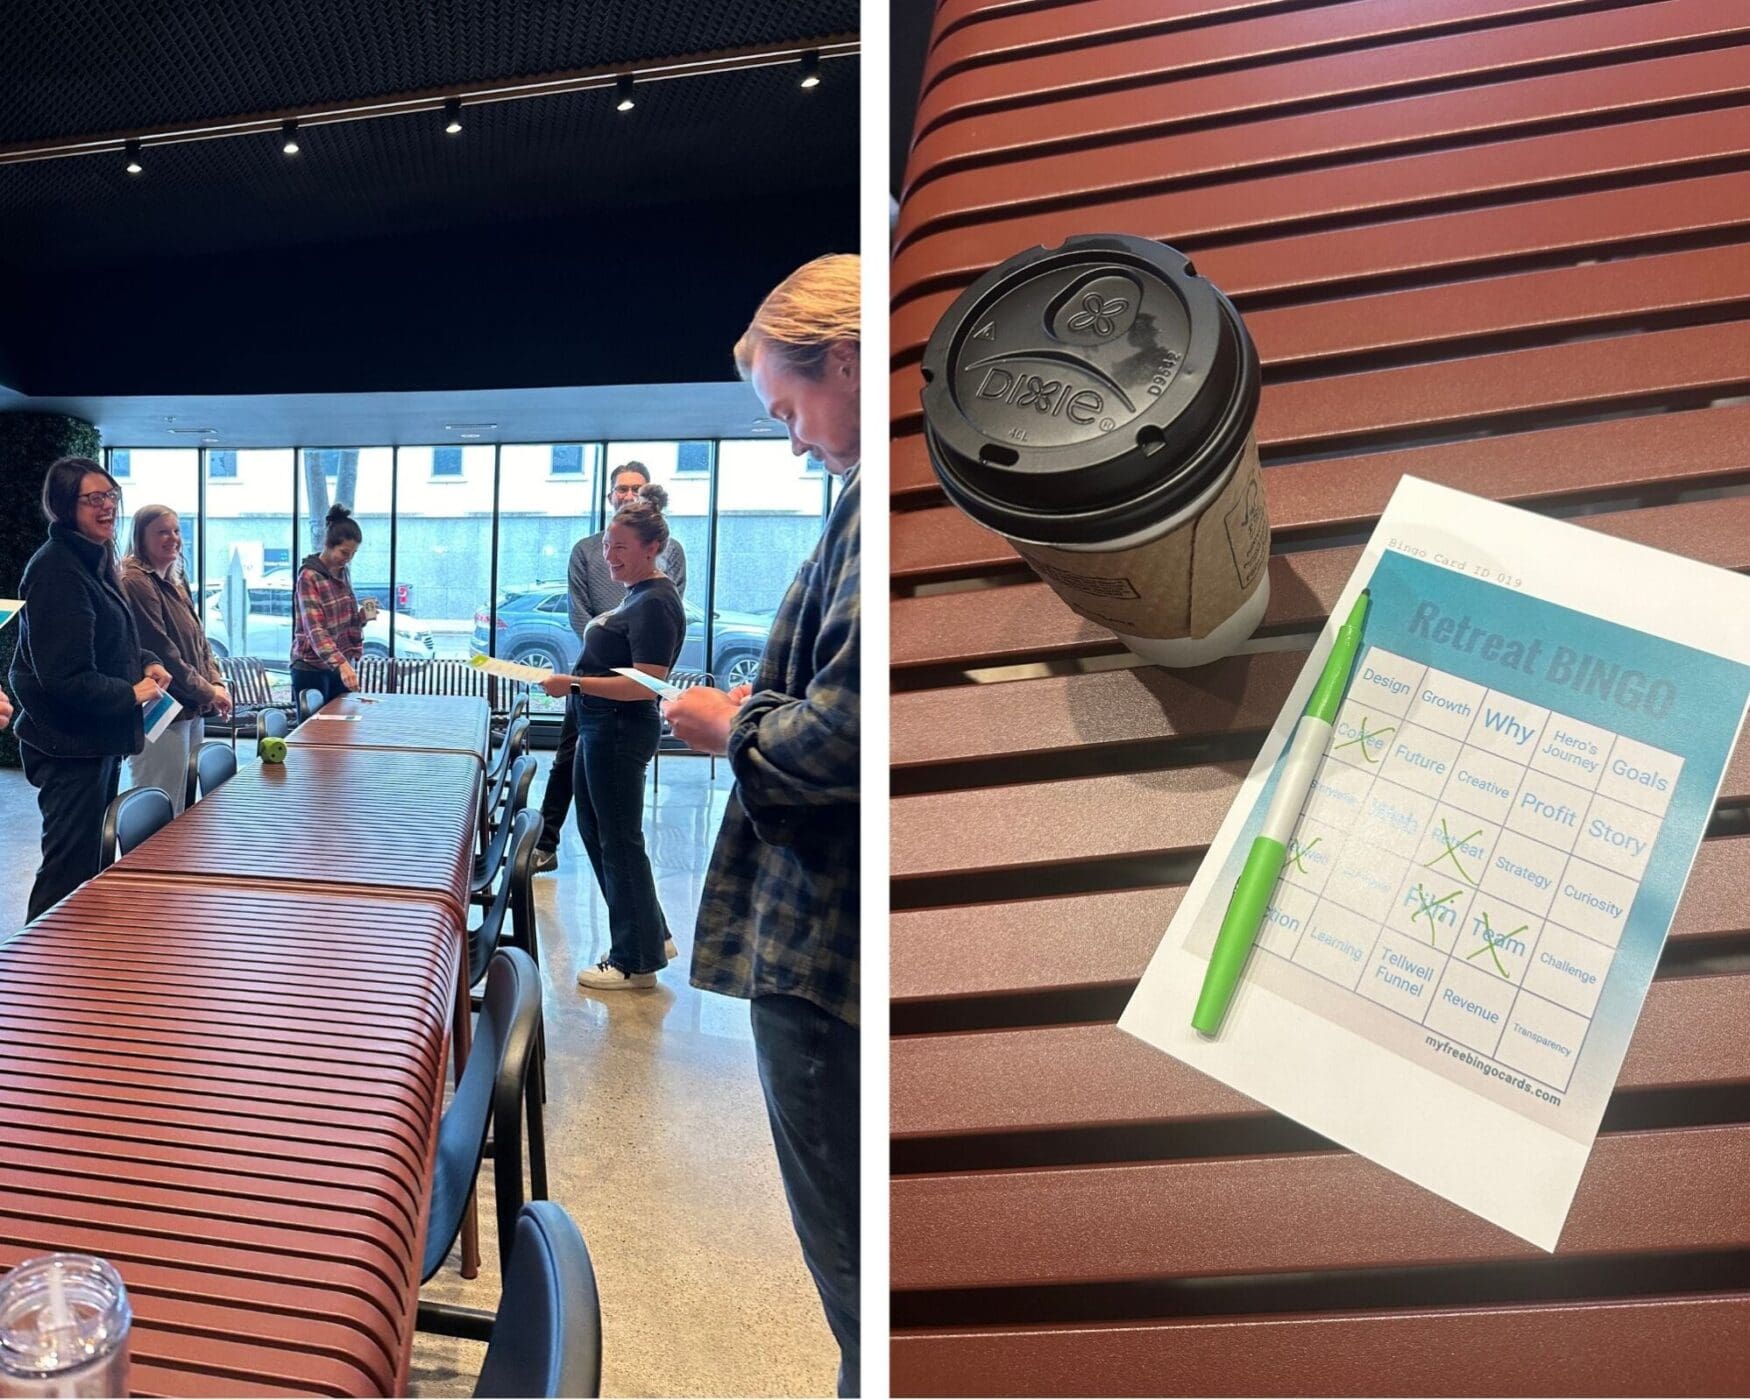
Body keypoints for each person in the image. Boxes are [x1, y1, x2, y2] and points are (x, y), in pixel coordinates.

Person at [663, 253, 861, 1395]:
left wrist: (732, 725)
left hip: (822, 953)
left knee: (855, 1291)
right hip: (821, 944)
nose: (792, 438)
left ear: (843, 358)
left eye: (789, 408)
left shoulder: (875, 500)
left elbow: (838, 732)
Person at [9, 457, 172, 922]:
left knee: (88, 874)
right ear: (64, 506)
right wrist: (131, 693)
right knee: (66, 875)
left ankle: (76, 968)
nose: (107, 507)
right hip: (68, 748)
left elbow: (111, 644)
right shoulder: (57, 570)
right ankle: (34, 979)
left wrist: (149, 663)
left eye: (111, 496)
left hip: (95, 741)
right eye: (93, 498)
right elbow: (63, 677)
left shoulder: (95, 558)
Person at [537, 484, 686, 989]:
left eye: (620, 547)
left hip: (619, 730)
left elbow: (646, 682)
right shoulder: (637, 596)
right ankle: (651, 934)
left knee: (619, 840)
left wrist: (573, 682)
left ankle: (634, 961)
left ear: (651, 548)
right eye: (606, 546)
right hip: (598, 726)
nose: (608, 556)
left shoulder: (657, 602)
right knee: (600, 833)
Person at [119, 506, 232, 814]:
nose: (173, 539)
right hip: (162, 709)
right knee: (160, 802)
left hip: (190, 706)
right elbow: (163, 651)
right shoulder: (136, 581)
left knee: (181, 804)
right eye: (162, 532)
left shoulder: (174, 578)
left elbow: (199, 639)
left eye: (177, 531)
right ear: (141, 537)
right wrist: (209, 691)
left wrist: (216, 682)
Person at [292, 504, 378, 705]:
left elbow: (345, 621)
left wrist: (361, 617)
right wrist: (342, 664)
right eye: (344, 552)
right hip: (311, 667)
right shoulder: (309, 576)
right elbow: (316, 630)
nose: (348, 559)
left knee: (344, 728)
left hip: (338, 664)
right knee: (314, 733)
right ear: (329, 544)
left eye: (353, 554)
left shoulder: (342, 573)